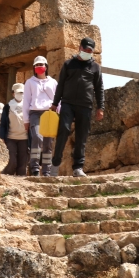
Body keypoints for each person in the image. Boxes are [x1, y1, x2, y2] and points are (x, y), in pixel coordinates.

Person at [49, 37, 104, 177]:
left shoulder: (95, 67)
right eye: (85, 49)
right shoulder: (68, 64)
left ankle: (78, 168)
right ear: (80, 48)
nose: (87, 52)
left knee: (82, 136)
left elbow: (99, 88)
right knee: (64, 130)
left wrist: (100, 107)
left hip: (85, 106)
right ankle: (55, 165)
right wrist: (55, 104)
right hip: (67, 103)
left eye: (90, 51)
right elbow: (60, 85)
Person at [23, 55, 58, 176]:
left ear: (46, 67)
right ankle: (34, 167)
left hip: (49, 113)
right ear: (34, 67)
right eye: (36, 65)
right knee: (37, 137)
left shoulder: (53, 82)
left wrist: (59, 114)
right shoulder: (29, 82)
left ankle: (47, 170)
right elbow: (26, 101)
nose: (39, 67)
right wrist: (26, 120)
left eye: (41, 65)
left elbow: (58, 99)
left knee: (48, 143)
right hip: (35, 113)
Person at [0, 83, 29, 176]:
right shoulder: (7, 107)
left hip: (24, 138)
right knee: (11, 161)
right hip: (11, 138)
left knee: (23, 163)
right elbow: (3, 124)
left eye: (22, 93)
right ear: (13, 93)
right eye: (18, 92)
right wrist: (2, 137)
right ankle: (7, 178)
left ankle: (21, 182)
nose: (20, 94)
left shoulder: (28, 105)